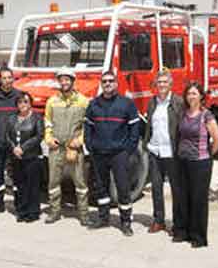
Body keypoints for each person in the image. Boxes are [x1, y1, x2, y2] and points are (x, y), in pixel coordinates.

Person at [84, 71, 141, 236]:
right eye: (104, 81)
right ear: (101, 84)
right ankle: (103, 218)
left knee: (123, 188)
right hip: (99, 153)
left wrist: (128, 149)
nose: (107, 84)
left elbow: (134, 129)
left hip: (119, 154)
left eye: (111, 81)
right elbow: (88, 127)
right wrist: (90, 145)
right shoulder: (93, 104)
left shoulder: (126, 104)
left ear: (116, 84)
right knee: (101, 187)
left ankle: (125, 221)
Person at [173, 82, 218, 248]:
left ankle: (198, 237)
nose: (191, 96)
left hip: (200, 163)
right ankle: (182, 232)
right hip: (183, 161)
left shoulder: (206, 115)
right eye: (188, 94)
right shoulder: (183, 113)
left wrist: (207, 155)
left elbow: (217, 140)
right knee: (183, 198)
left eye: (194, 93)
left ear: (201, 96)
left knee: (198, 200)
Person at [44, 68, 90, 225]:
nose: (64, 82)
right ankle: (54, 212)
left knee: (80, 183)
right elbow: (47, 123)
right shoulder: (52, 101)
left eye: (67, 79)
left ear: (73, 81)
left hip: (74, 148)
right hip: (56, 147)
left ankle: (84, 215)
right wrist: (48, 138)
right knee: (53, 182)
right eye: (61, 79)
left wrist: (80, 140)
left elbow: (88, 125)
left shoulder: (83, 101)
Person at [144, 70, 184, 234]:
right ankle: (159, 220)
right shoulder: (152, 102)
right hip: (155, 151)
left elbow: (182, 127)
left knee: (176, 189)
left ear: (170, 84)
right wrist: (147, 144)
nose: (161, 85)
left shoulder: (177, 102)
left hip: (172, 152)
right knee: (156, 188)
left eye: (164, 82)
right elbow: (149, 125)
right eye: (159, 82)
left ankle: (177, 223)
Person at [0, 66, 21, 215]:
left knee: (17, 174)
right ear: (0, 80)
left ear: (12, 79)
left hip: (14, 142)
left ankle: (19, 203)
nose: (7, 80)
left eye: (9, 77)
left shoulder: (19, 97)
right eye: (4, 78)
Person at [6, 92, 44, 222]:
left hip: (31, 156)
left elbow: (39, 136)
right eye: (20, 102)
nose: (23, 105)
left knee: (32, 185)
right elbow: (7, 136)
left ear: (30, 104)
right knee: (19, 185)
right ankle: (21, 211)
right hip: (16, 157)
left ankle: (32, 212)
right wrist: (14, 148)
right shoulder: (11, 118)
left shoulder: (37, 118)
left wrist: (23, 148)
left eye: (26, 102)